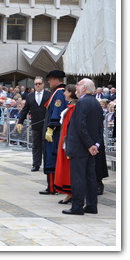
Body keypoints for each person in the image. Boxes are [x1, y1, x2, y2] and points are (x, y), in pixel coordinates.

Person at [63, 78, 104, 215]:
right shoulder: (96, 103)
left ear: (85, 88)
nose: (76, 87)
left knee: (78, 178)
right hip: (91, 148)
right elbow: (100, 127)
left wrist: (89, 144)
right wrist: (95, 145)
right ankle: (92, 205)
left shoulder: (82, 102)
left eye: (79, 85)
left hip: (80, 147)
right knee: (90, 177)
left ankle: (77, 206)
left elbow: (81, 126)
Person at [16, 76, 51, 172]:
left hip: (46, 124)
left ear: (43, 84)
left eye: (39, 83)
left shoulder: (49, 95)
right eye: (36, 84)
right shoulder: (30, 96)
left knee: (46, 145)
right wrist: (20, 122)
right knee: (36, 145)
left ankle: (47, 164)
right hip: (35, 124)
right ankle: (36, 164)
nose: (38, 85)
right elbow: (25, 110)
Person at [41, 70, 67, 195]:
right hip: (54, 131)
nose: (48, 82)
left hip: (55, 132)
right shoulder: (57, 92)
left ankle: (52, 187)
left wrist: (51, 128)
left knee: (51, 158)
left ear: (56, 79)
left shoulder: (59, 94)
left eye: (50, 79)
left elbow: (57, 112)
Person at [54, 84, 78, 204]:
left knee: (69, 169)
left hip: (68, 142)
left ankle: (71, 193)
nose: (64, 94)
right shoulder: (71, 107)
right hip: (64, 141)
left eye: (66, 92)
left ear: (71, 93)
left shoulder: (74, 108)